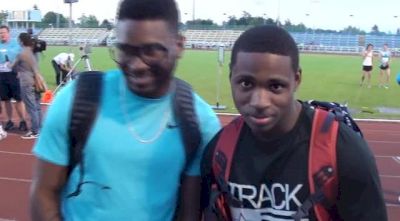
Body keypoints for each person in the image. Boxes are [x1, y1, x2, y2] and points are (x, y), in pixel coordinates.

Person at [30, 0, 221, 221]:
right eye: (125, 50)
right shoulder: (76, 99)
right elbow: (44, 191)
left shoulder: (199, 121)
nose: (137, 65)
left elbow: (190, 212)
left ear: (179, 45)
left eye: (151, 51)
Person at [201, 25, 387, 220]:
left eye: (275, 86)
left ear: (296, 79)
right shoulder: (219, 151)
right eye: (246, 84)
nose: (259, 102)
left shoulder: (342, 151)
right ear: (231, 78)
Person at [12, 32, 43, 139]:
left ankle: (35, 131)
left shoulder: (22, 54)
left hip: (26, 82)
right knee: (37, 106)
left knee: (31, 107)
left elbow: (13, 66)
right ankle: (39, 128)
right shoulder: (34, 52)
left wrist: (8, 63)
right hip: (37, 80)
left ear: (21, 41)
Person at [0, 25, 27, 131]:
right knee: (6, 99)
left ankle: (23, 121)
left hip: (14, 75)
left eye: (3, 32)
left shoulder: (16, 44)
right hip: (2, 75)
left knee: (18, 99)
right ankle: (9, 120)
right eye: (0, 33)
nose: (2, 35)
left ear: (8, 33)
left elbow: (21, 57)